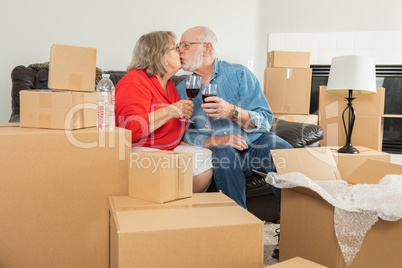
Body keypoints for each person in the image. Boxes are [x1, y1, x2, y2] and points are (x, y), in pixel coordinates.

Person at [176, 26, 293, 210]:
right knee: (224, 151)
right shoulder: (182, 89)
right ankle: (239, 226)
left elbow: (265, 120)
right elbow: (180, 135)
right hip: (222, 151)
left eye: (185, 45)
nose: (179, 50)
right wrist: (215, 139)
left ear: (207, 48)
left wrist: (232, 111)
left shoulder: (239, 75)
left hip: (254, 143)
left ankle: (293, 222)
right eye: (179, 46)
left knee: (285, 153)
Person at [115, 31, 213, 193]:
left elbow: (176, 123)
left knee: (203, 156)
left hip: (165, 148)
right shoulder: (134, 82)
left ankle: (186, 206)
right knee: (180, 163)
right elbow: (129, 130)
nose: (180, 51)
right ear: (158, 54)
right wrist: (172, 110)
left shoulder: (169, 85)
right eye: (175, 48)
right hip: (139, 150)